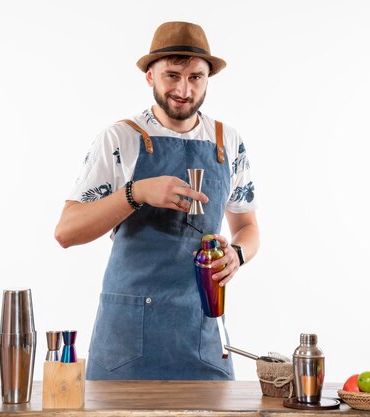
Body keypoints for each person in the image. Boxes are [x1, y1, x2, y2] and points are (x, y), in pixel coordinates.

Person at [54, 21, 259, 380]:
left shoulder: (228, 142)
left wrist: (238, 253)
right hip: (126, 341)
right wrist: (137, 193)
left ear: (208, 78)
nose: (184, 89)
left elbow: (247, 226)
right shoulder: (121, 139)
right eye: (172, 75)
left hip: (201, 334)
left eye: (196, 77)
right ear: (150, 76)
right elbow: (66, 232)